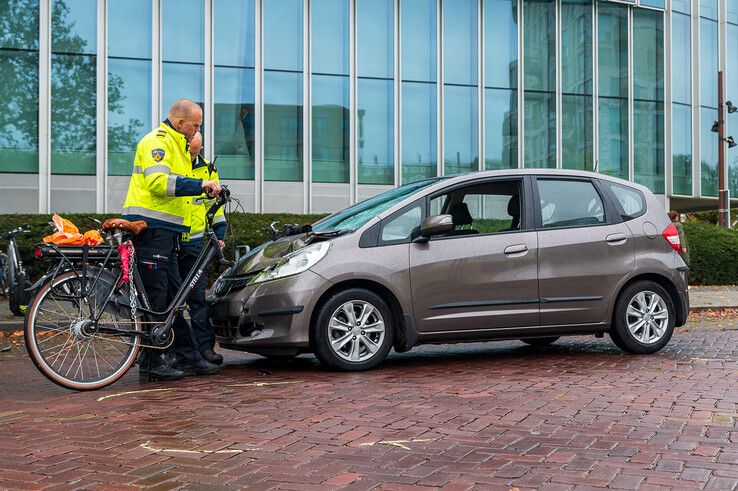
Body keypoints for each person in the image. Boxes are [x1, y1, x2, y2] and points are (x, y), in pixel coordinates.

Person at [121, 99, 222, 381]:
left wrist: (204, 191)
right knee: (157, 297)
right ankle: (152, 363)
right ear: (180, 123)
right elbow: (159, 183)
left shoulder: (178, 146)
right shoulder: (159, 142)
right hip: (151, 230)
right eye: (196, 124)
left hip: (167, 233)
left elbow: (181, 191)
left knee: (173, 296)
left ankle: (188, 356)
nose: (197, 129)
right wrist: (200, 184)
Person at [171, 131, 226, 366]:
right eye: (192, 149)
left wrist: (219, 235)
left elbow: (216, 208)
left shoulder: (208, 170)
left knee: (197, 299)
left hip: (194, 243)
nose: (195, 154)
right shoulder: (175, 162)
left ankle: (205, 349)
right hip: (172, 239)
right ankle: (177, 350)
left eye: (198, 150)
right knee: (171, 299)